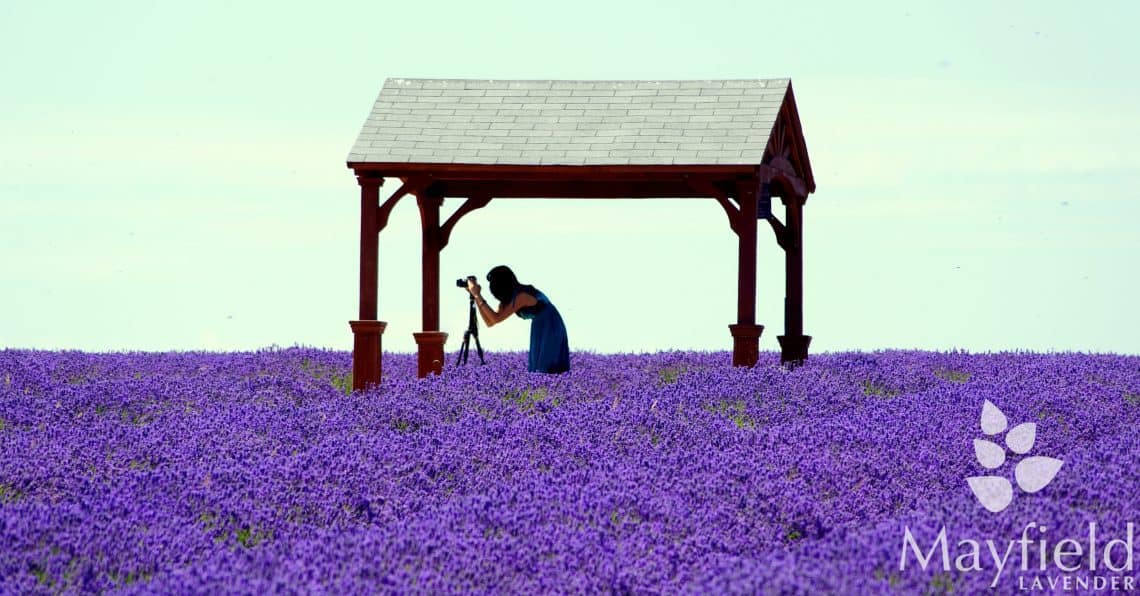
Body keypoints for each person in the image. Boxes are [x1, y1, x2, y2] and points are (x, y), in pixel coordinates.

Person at [465, 265, 570, 374]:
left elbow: (495, 319)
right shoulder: (509, 299)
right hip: (540, 325)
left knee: (547, 365)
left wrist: (477, 294)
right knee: (538, 367)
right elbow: (490, 322)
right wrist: (476, 296)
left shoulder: (521, 296)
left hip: (551, 324)